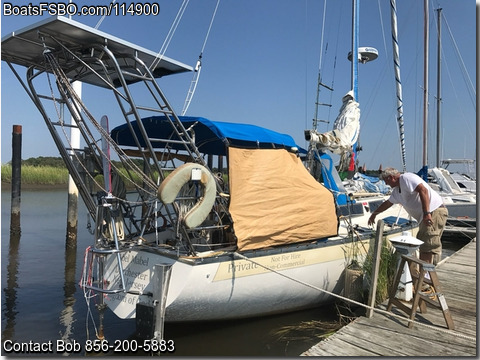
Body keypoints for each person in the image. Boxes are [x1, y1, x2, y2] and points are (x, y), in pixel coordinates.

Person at [368, 167, 448, 265]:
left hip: (434, 211)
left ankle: (425, 275)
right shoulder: (397, 191)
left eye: (386, 181)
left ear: (391, 177)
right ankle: (427, 273)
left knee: (427, 244)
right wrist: (374, 214)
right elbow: (388, 203)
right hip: (427, 214)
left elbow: (423, 190)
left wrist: (426, 213)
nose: (386, 184)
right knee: (426, 243)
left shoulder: (406, 178)